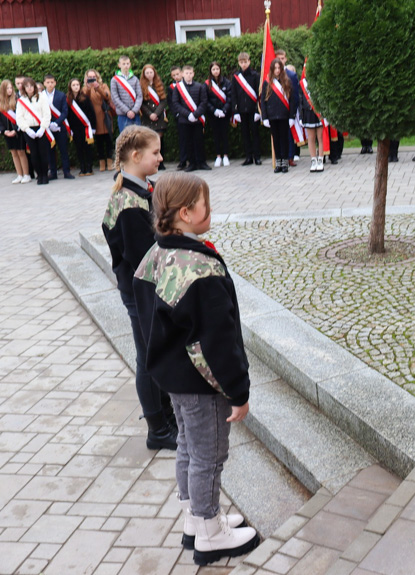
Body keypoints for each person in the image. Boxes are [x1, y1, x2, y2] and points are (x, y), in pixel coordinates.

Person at [132, 172, 259, 566]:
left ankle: (195, 515)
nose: (211, 208)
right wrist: (237, 391)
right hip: (202, 385)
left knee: (188, 446)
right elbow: (216, 342)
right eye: (206, 203)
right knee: (209, 455)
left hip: (174, 379)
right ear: (186, 213)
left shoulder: (154, 255)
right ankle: (208, 532)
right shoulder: (198, 271)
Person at [101, 125, 178, 448]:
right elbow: (142, 258)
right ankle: (157, 429)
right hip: (142, 293)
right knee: (149, 356)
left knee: (156, 351)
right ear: (136, 156)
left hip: (149, 290)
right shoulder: (129, 203)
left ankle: (167, 415)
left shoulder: (143, 189)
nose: (161, 158)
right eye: (155, 153)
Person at [260, 59, 296, 173]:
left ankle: (285, 162)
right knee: (276, 140)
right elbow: (263, 101)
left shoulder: (287, 81)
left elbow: (292, 100)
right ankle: (278, 162)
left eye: (279, 68)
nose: (277, 70)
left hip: (284, 115)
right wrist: (264, 117)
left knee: (284, 139)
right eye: (275, 68)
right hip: (272, 115)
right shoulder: (267, 82)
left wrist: (292, 116)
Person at [171, 65, 209, 172]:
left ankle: (202, 162)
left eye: (190, 73)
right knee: (188, 142)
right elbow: (176, 103)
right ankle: (191, 163)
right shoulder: (178, 88)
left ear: (193, 74)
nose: (188, 75)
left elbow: (204, 102)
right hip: (184, 120)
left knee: (199, 141)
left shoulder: (199, 86)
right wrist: (188, 115)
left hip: (197, 120)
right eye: (186, 73)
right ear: (182, 74)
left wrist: (196, 114)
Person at [16, 77, 51, 185]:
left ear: (34, 87)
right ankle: (39, 175)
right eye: (27, 87)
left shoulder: (42, 98)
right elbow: (19, 118)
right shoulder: (21, 101)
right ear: (24, 88)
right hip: (29, 130)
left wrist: (43, 128)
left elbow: (46, 114)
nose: (29, 88)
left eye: (31, 86)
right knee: (34, 154)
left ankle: (45, 175)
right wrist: (26, 129)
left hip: (40, 128)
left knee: (43, 153)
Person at [231, 52, 262, 166]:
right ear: (239, 63)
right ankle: (248, 156)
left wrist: (257, 111)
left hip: (252, 109)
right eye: (241, 62)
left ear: (249, 61)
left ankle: (257, 157)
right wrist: (235, 111)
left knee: (255, 133)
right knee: (245, 134)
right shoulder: (236, 77)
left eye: (245, 62)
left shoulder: (255, 75)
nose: (243, 64)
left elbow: (259, 94)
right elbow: (233, 94)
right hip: (241, 110)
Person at [42, 74, 74, 180]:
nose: (50, 84)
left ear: (55, 83)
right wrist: (47, 124)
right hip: (47, 128)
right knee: (50, 151)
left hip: (59, 127)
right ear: (44, 83)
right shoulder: (41, 96)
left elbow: (65, 112)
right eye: (48, 82)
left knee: (63, 150)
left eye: (52, 82)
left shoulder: (61, 95)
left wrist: (57, 123)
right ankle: (53, 172)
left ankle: (66, 171)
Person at [83, 69, 115, 172]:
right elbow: (84, 99)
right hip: (94, 117)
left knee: (109, 140)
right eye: (89, 77)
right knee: (99, 141)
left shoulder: (103, 86)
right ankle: (102, 162)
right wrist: (89, 88)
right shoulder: (85, 88)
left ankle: (110, 161)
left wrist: (98, 87)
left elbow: (107, 96)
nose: (92, 79)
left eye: (93, 77)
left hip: (105, 116)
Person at [1, 79, 30, 184]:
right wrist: (4, 131)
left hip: (18, 131)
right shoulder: (1, 103)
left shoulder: (18, 100)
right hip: (7, 133)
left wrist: (15, 130)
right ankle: (19, 174)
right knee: (14, 153)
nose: (9, 90)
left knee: (21, 152)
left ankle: (26, 174)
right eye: (7, 88)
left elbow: (21, 116)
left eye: (10, 88)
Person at [140, 64, 168, 170]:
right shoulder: (142, 86)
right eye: (147, 73)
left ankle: (161, 162)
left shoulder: (159, 84)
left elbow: (163, 100)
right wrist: (150, 114)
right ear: (144, 74)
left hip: (159, 116)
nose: (149, 74)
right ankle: (152, 162)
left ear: (154, 73)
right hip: (148, 117)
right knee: (150, 141)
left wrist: (156, 113)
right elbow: (142, 103)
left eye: (151, 72)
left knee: (160, 140)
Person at [67, 78, 97, 176]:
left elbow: (91, 112)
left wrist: (93, 127)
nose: (76, 87)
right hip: (75, 128)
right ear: (70, 87)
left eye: (77, 85)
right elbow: (67, 115)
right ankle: (82, 167)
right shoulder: (68, 99)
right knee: (78, 148)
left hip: (85, 127)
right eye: (73, 85)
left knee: (87, 147)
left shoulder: (85, 98)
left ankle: (89, 167)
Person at [205, 61, 232, 168]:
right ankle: (218, 156)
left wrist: (224, 110)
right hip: (213, 114)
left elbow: (230, 98)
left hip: (225, 113)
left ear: (220, 70)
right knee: (216, 135)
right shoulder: (207, 84)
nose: (215, 71)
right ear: (211, 71)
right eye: (213, 69)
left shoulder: (226, 82)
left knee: (224, 135)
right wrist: (214, 110)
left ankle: (225, 155)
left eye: (217, 69)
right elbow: (206, 100)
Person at [299, 69, 324, 172]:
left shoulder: (319, 81)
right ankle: (313, 160)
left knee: (320, 137)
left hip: (319, 113)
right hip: (308, 113)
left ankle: (321, 160)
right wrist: (301, 116)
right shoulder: (302, 83)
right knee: (311, 138)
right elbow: (299, 100)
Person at [111, 55, 143, 133]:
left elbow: (139, 96)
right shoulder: (114, 80)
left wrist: (134, 110)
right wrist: (127, 111)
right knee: (125, 139)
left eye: (127, 63)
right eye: (124, 64)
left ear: (130, 64)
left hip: (135, 113)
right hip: (123, 114)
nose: (126, 66)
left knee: (137, 139)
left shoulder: (135, 79)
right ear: (119, 65)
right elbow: (115, 97)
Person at [167, 67, 189, 170]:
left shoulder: (188, 84)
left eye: (178, 74)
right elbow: (171, 103)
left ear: (181, 73)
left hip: (190, 114)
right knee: (183, 139)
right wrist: (176, 114)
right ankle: (183, 161)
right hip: (180, 116)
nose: (176, 76)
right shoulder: (171, 87)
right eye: (174, 75)